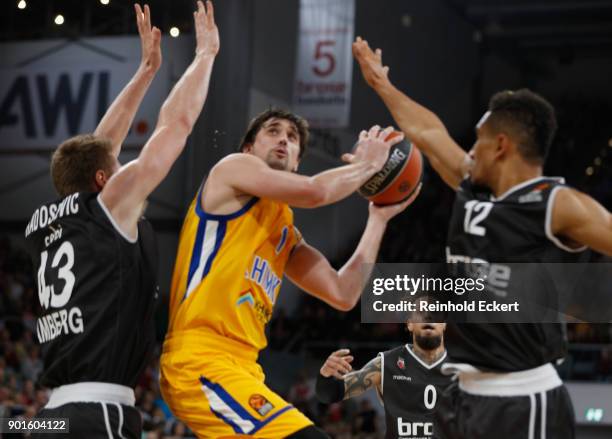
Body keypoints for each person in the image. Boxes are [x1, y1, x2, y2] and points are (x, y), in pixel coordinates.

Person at [352, 37, 612, 438]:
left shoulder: (560, 205)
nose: (470, 150)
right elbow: (427, 132)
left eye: (479, 140)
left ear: (502, 146)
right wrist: (381, 86)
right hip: (464, 393)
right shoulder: (473, 188)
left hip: (524, 398)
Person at [159, 111, 421, 438]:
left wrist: (378, 219)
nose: (284, 138)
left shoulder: (284, 231)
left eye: (293, 137)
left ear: (296, 163)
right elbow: (315, 192)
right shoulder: (231, 169)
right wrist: (368, 165)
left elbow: (343, 293)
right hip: (199, 361)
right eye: (273, 131)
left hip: (245, 369)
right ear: (248, 149)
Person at [25, 2, 219, 437]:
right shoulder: (105, 208)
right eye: (115, 169)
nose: (123, 169)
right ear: (102, 181)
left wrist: (147, 70)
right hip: (99, 413)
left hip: (51, 416)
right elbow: (176, 125)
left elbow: (100, 146)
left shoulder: (50, 222)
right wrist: (205, 56)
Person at [316, 310, 449, 439]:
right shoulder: (386, 364)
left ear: (444, 324)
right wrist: (325, 374)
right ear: (409, 324)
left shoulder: (464, 367)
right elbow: (330, 393)